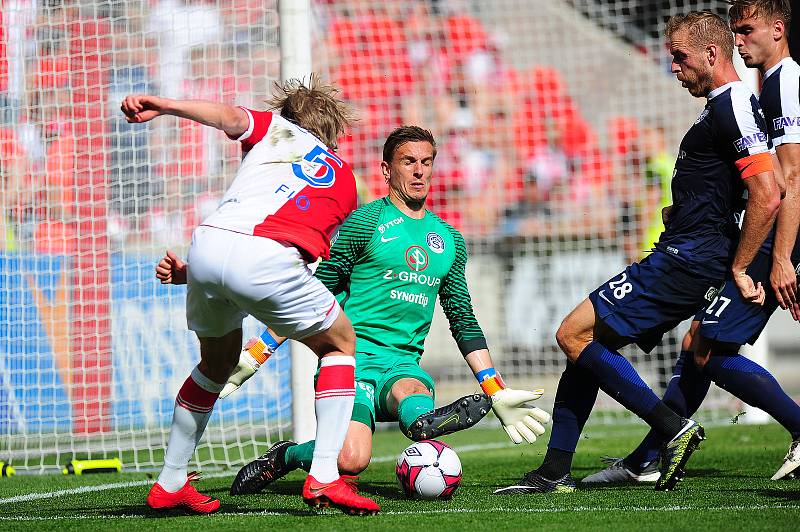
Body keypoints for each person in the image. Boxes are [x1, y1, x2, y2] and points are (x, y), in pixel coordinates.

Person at [156, 126, 552, 495]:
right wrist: (258, 354)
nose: (419, 172)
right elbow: (310, 294)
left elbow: (462, 318)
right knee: (351, 460)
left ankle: (422, 424)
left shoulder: (448, 239)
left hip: (403, 367)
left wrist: (494, 389)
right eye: (408, 162)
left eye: (426, 162)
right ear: (386, 169)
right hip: (351, 363)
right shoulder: (364, 223)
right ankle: (287, 455)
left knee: (412, 394)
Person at [494, 11, 781, 495]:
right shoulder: (722, 106)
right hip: (689, 248)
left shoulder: (731, 104)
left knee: (571, 334)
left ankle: (672, 427)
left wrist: (737, 262)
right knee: (591, 348)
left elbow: (767, 191)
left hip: (687, 259)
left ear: (712, 55)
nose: (673, 67)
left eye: (680, 56)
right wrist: (686, 211)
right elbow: (732, 187)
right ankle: (555, 470)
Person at [121, 76, 380, 515]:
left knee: (216, 364)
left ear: (287, 115)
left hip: (206, 245)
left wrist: (163, 105)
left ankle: (170, 481)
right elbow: (297, 264)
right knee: (338, 343)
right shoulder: (344, 179)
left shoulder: (274, 131)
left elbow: (229, 116)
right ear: (332, 132)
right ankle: (324, 476)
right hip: (266, 257)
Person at [583, 0, 800, 486]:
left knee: (707, 349)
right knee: (697, 342)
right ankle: (646, 457)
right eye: (735, 30)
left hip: (777, 237)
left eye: (746, 30)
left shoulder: (781, 83)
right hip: (758, 234)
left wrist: (778, 258)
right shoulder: (765, 88)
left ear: (778, 29)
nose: (738, 39)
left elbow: (788, 182)